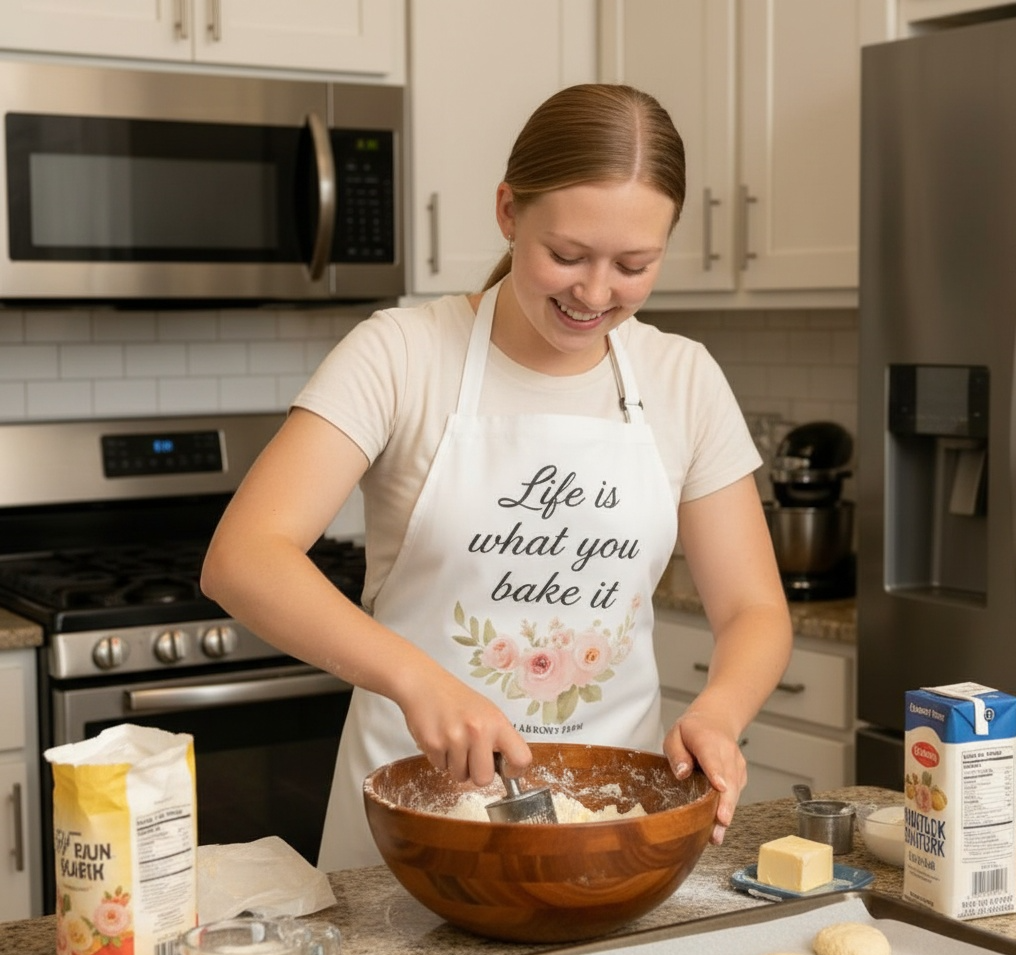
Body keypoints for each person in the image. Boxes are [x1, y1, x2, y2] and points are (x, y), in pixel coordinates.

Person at [201, 83, 793, 871]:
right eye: (567, 256)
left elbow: (753, 608)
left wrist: (719, 711)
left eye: (633, 265)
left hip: (605, 827)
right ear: (509, 212)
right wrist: (418, 681)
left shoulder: (682, 378)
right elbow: (243, 558)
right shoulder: (400, 353)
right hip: (410, 824)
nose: (594, 293)